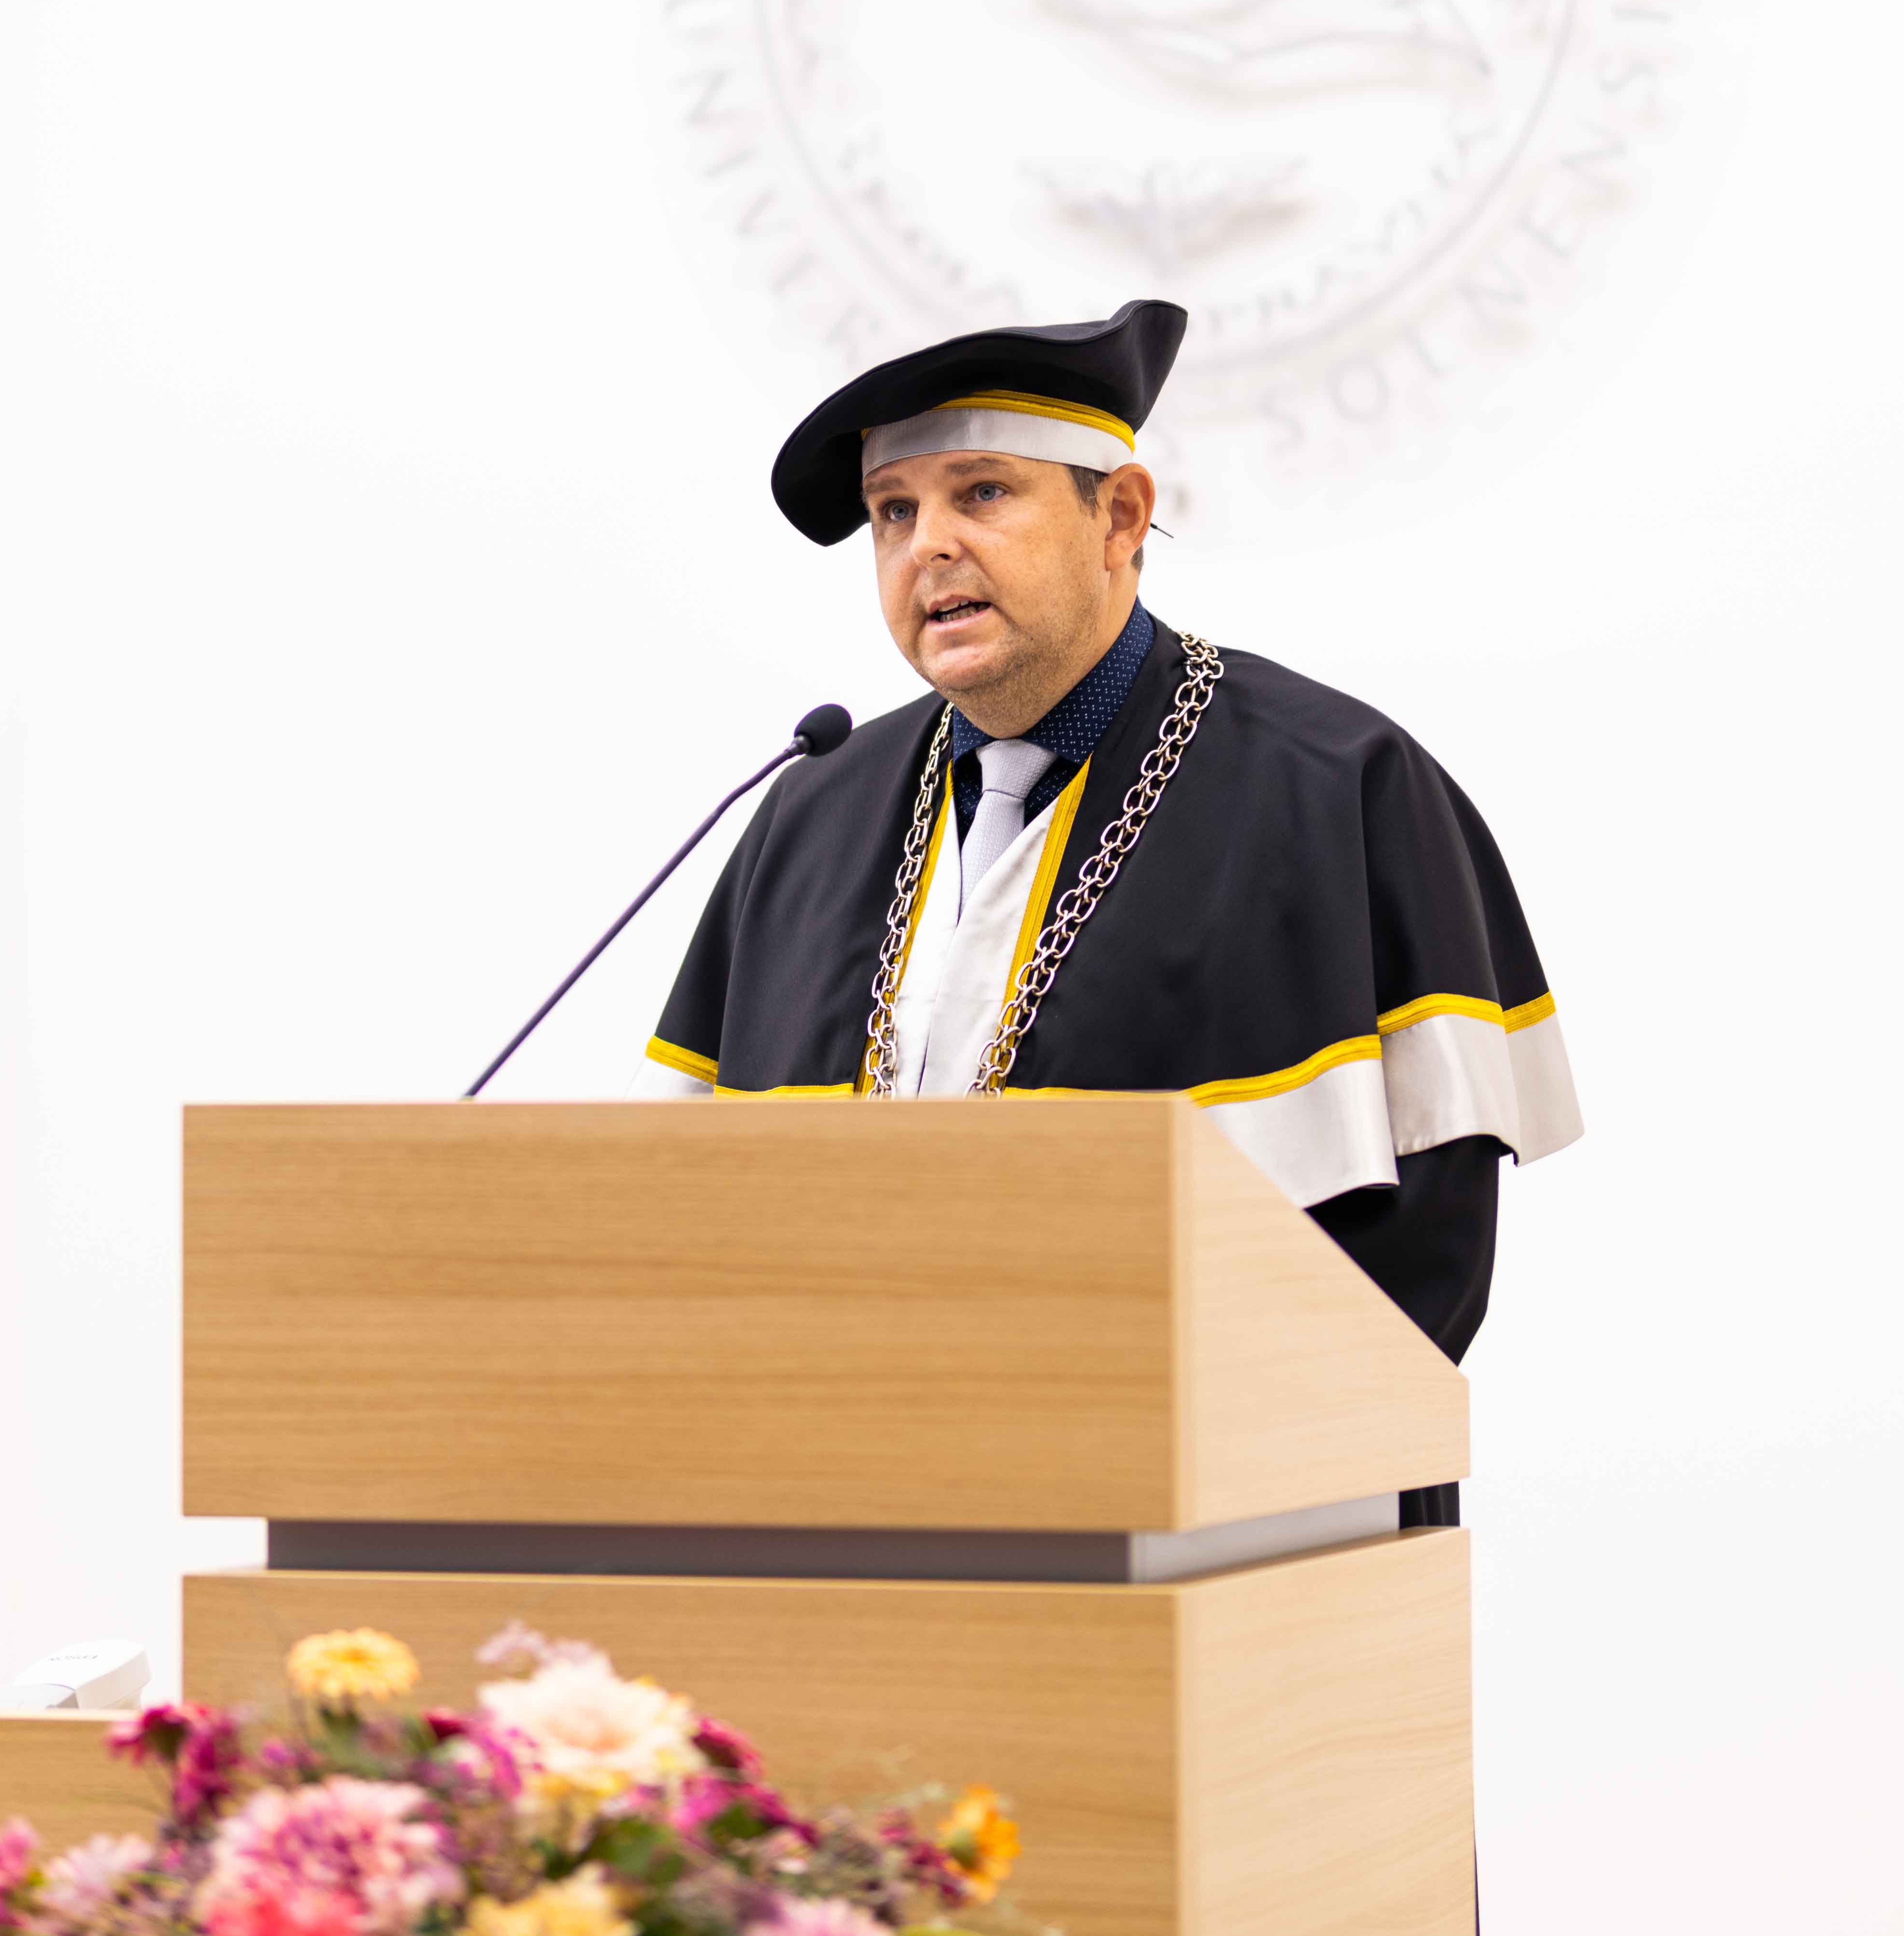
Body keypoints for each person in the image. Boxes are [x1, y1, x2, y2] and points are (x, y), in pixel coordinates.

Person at [645, 296, 1581, 1438]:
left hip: (1204, 1504)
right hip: (837, 1484)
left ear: (1120, 517)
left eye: (981, 492)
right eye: (892, 510)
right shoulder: (807, 814)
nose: (926, 544)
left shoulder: (1344, 790)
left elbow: (1424, 1268)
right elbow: (680, 1228)